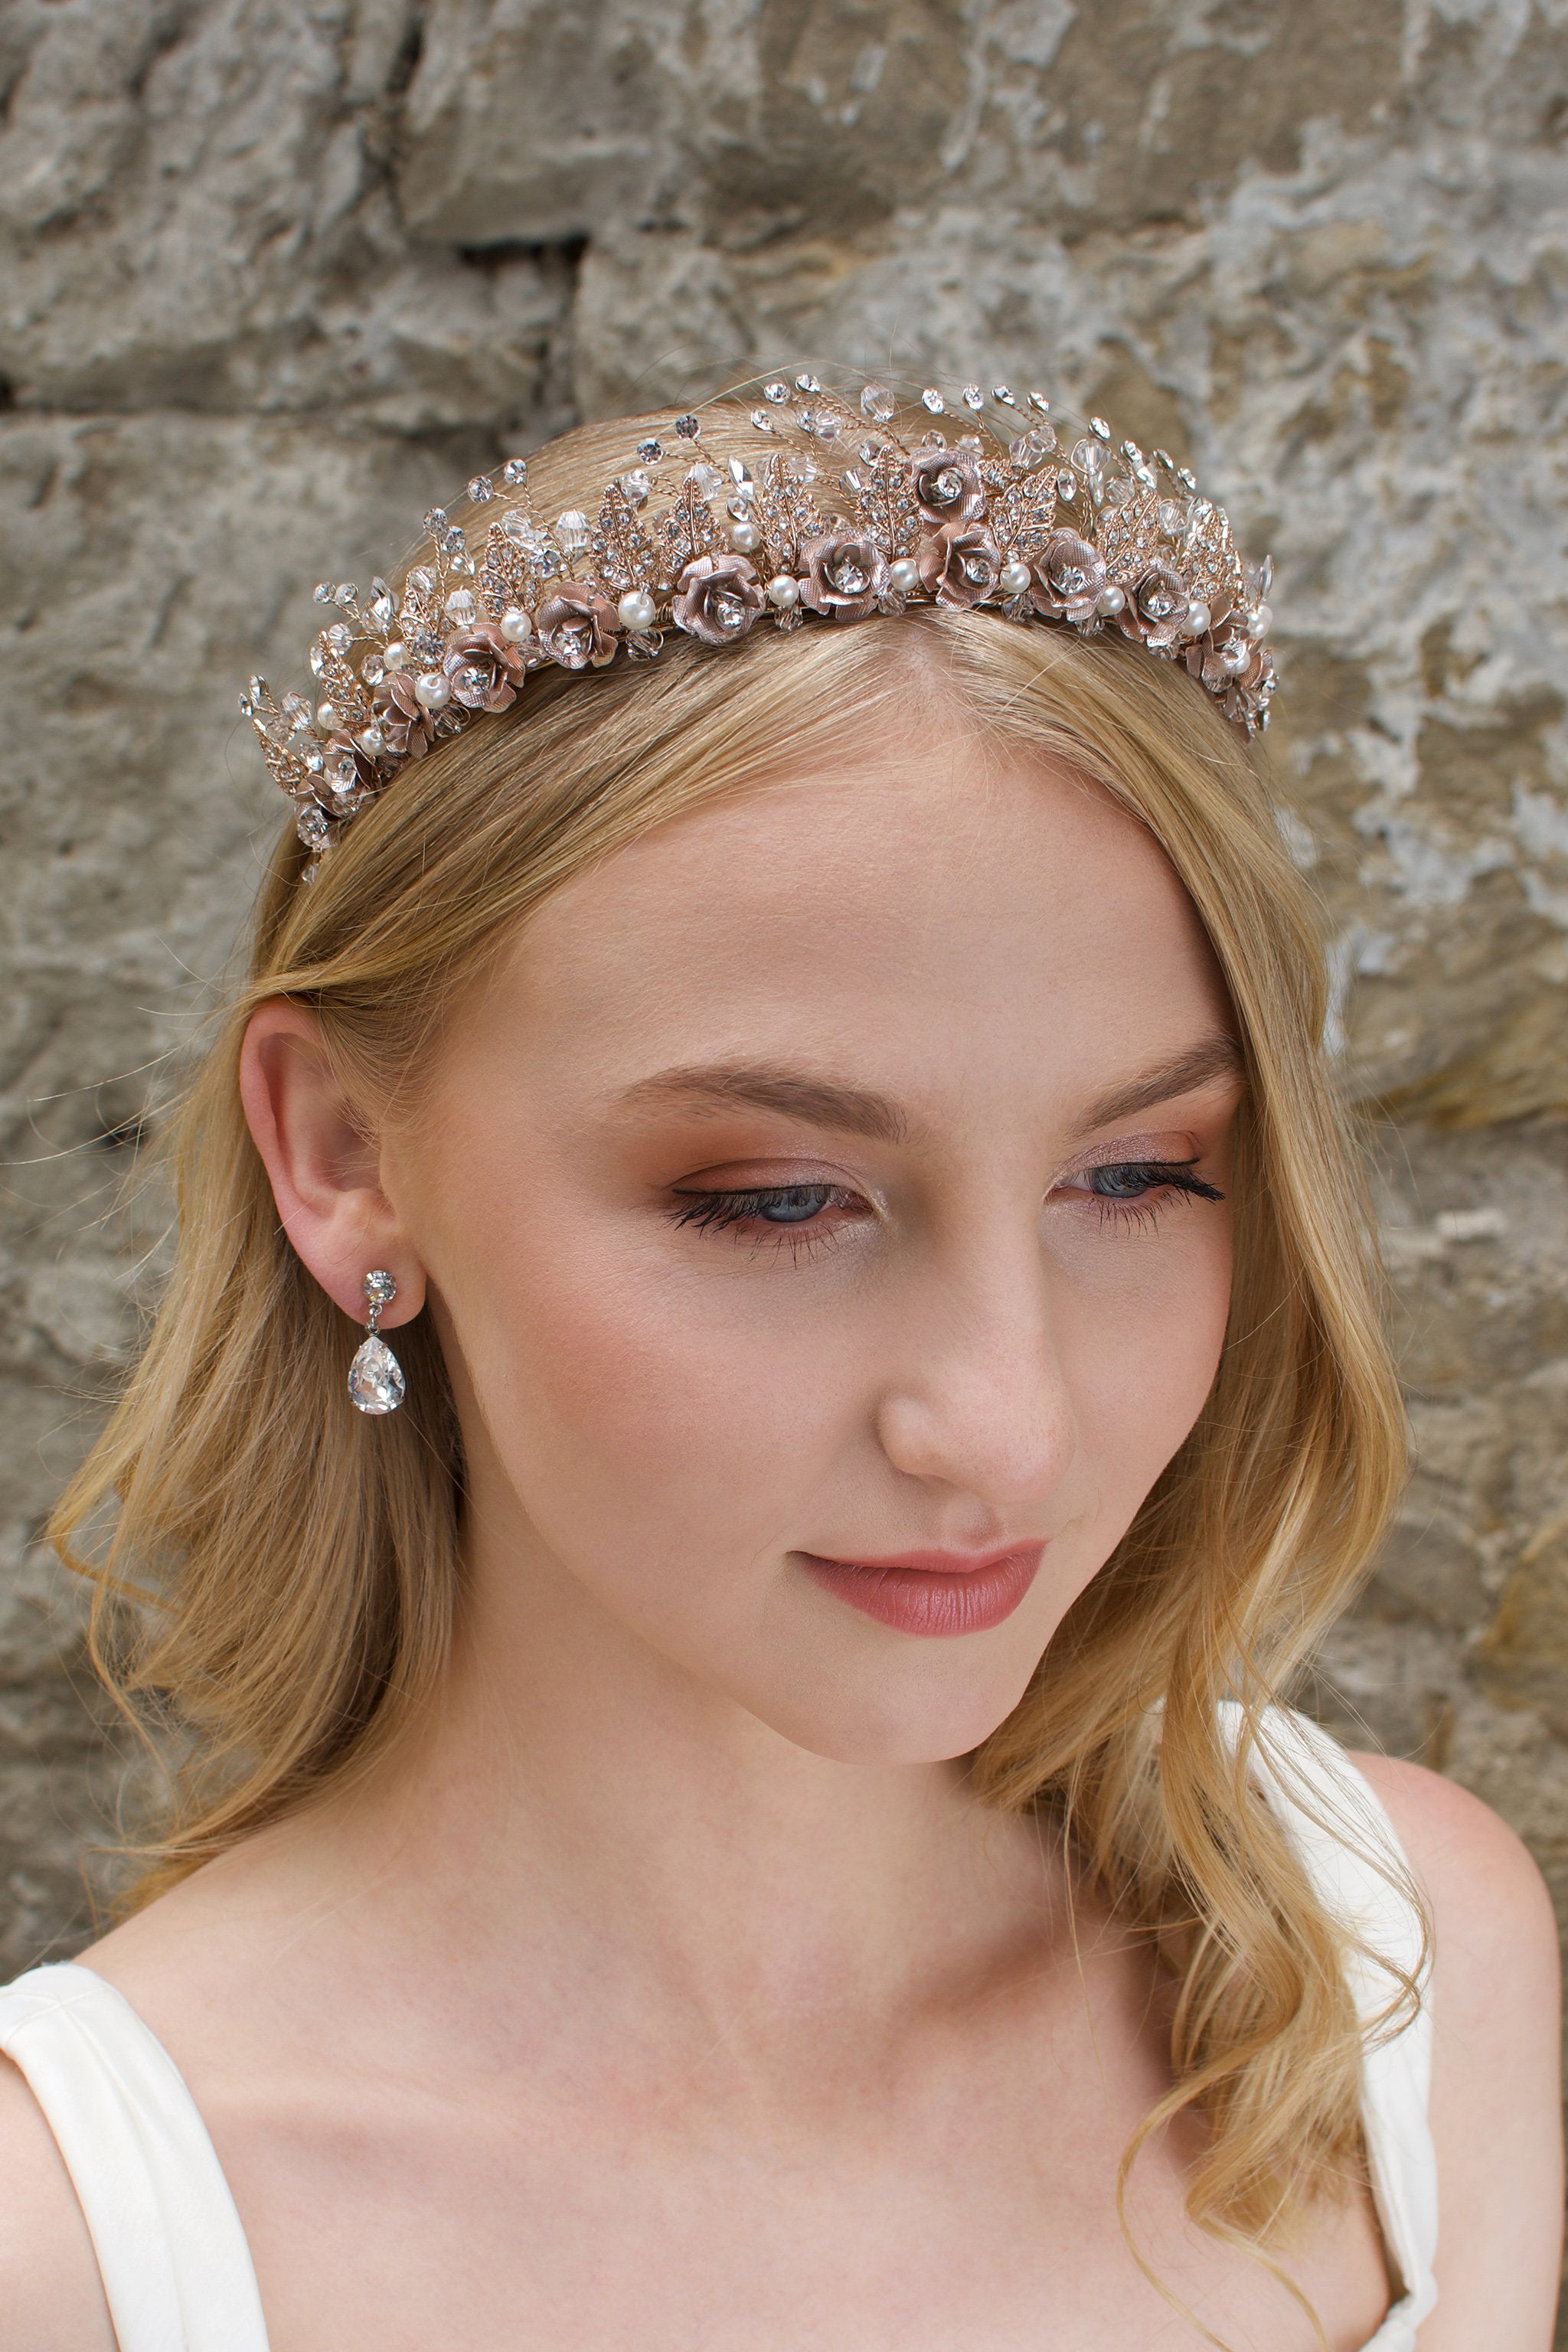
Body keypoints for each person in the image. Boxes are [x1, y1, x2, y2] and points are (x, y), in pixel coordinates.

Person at [0, 366, 1559, 2352]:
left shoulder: (1400, 1980)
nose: (1005, 1421)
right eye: (776, 1200)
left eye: (1144, 1174)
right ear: (345, 1159)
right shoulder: (76, 2257)